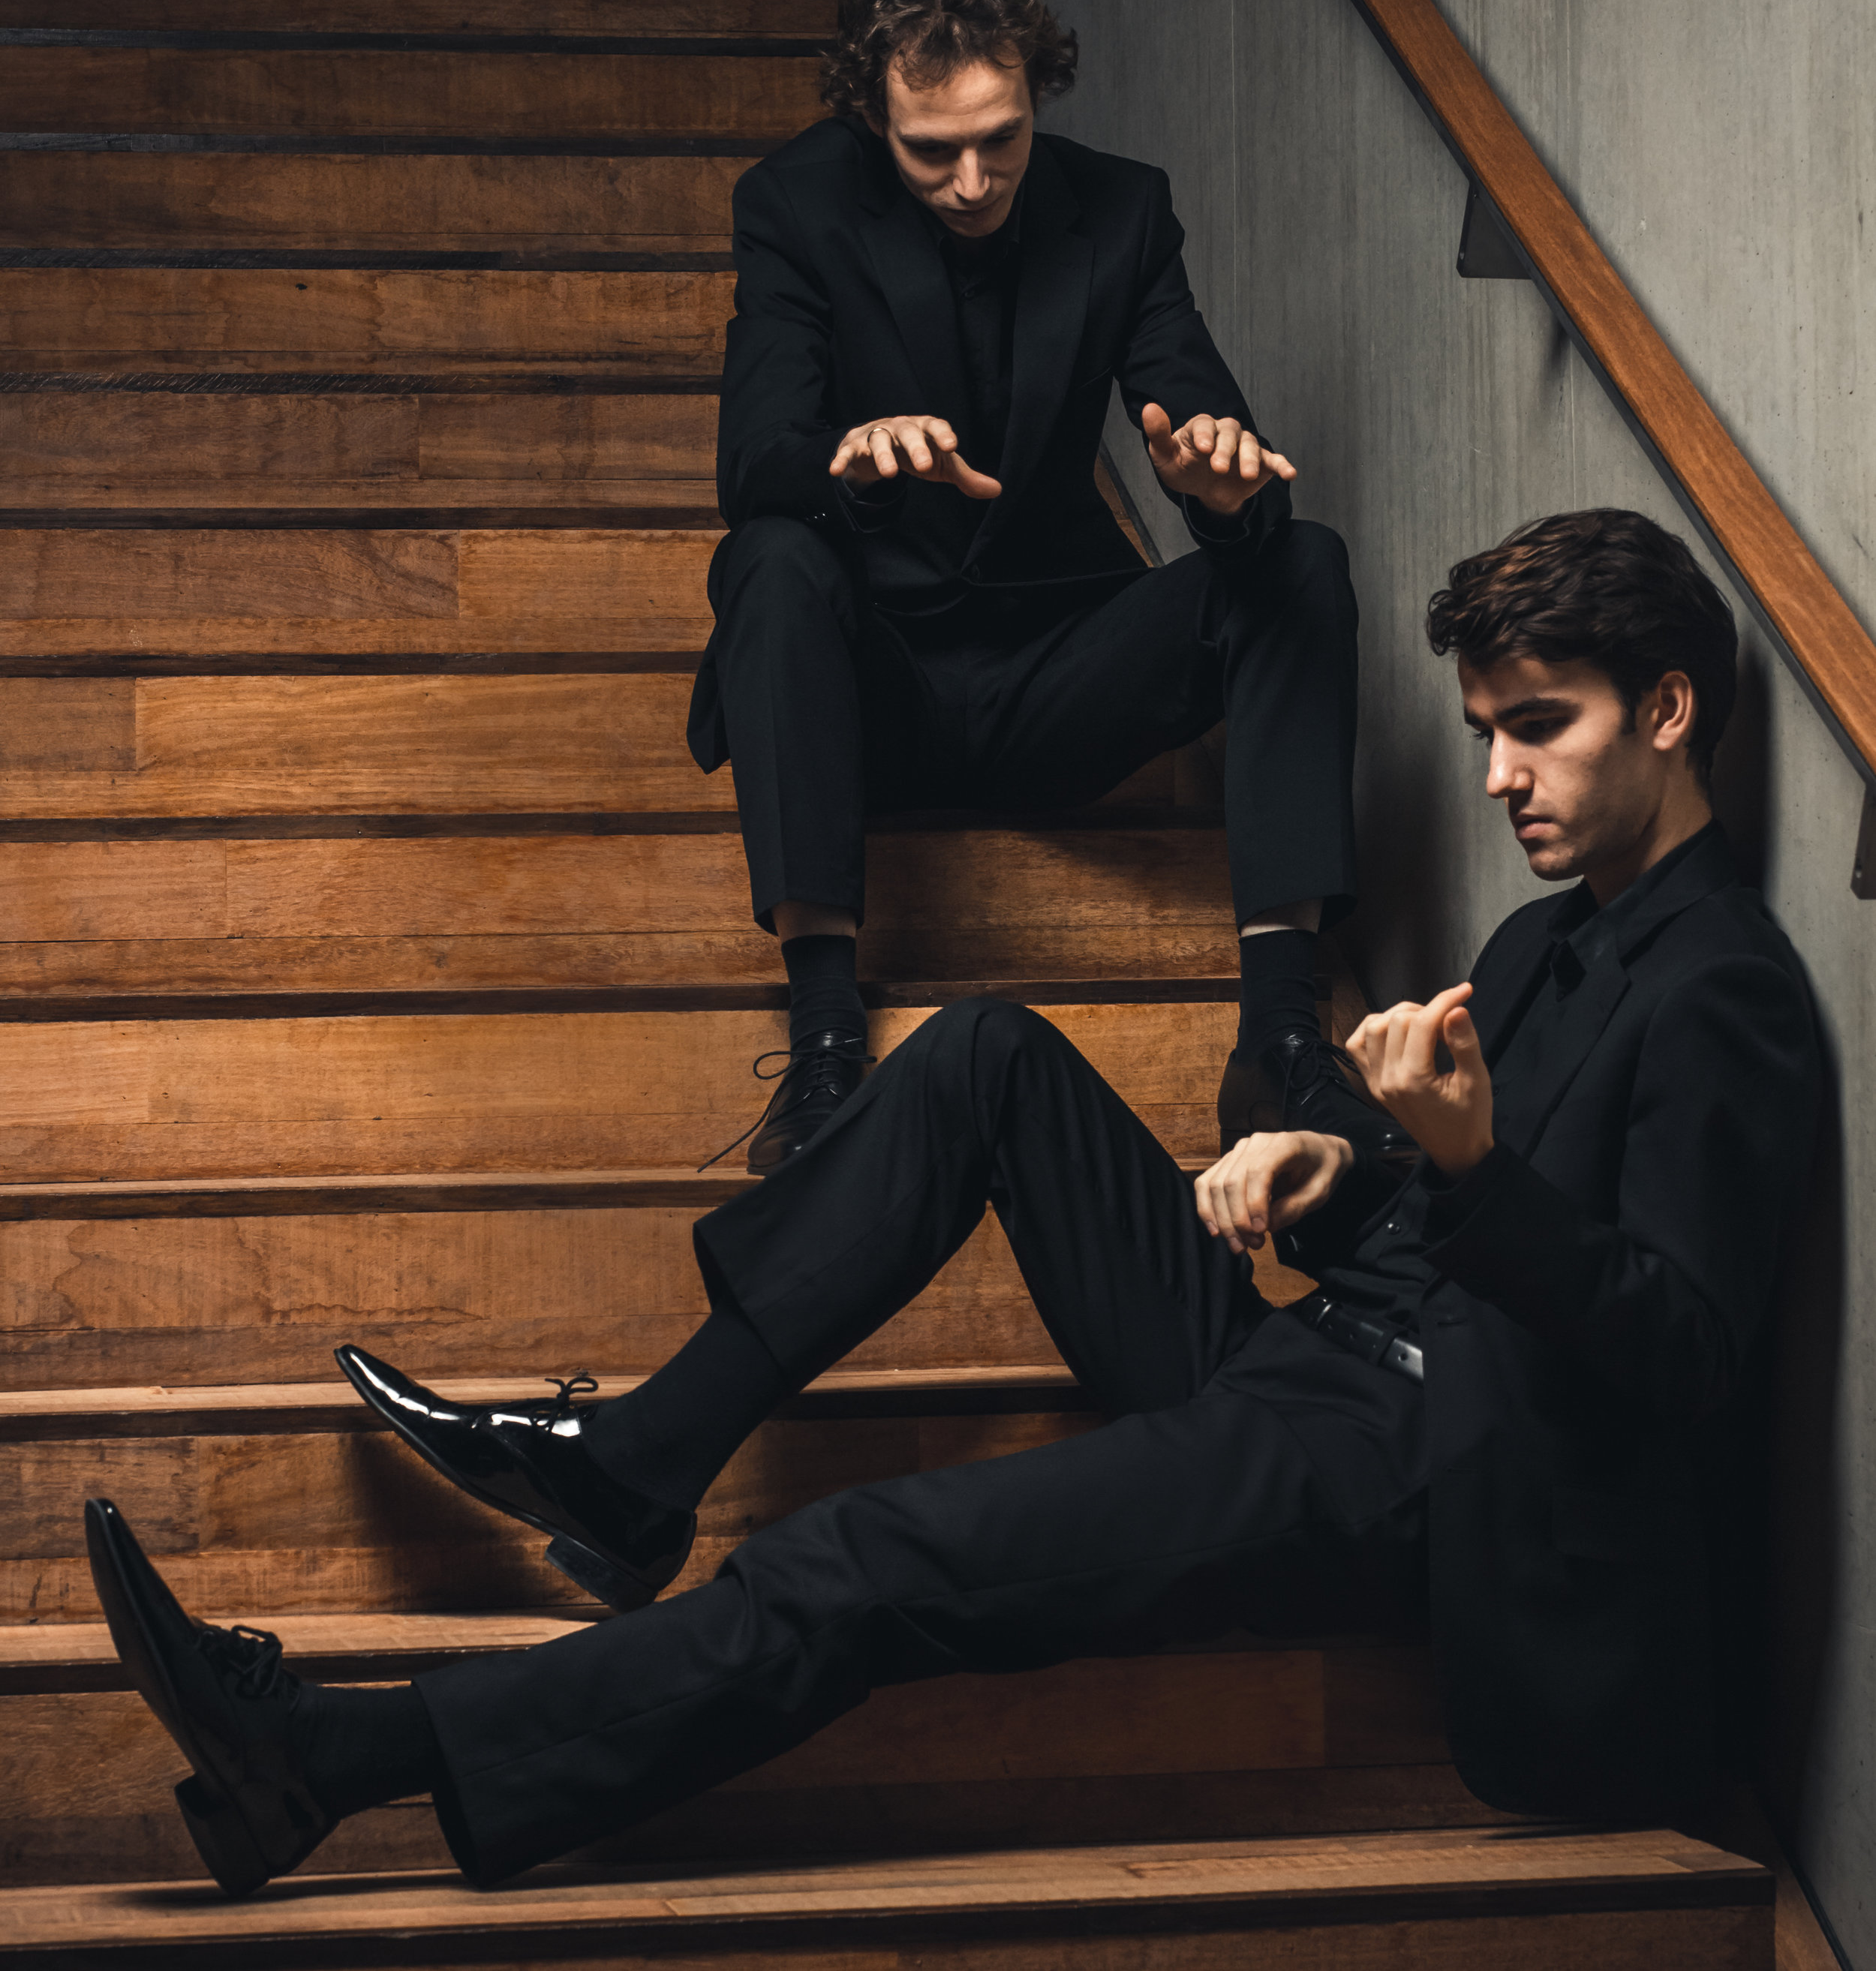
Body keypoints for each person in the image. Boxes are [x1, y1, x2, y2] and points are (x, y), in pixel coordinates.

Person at [87, 506, 1820, 1900]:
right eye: (1484, 734)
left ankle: (333, 1759)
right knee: (985, 1051)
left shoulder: (1722, 992)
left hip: (1425, 1463)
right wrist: (1338, 1170)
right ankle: (636, 1462)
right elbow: (1439, 1207)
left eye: (1537, 728)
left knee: (868, 1555)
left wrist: (1456, 1168)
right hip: (1330, 1349)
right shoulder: (1538, 940)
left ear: (1667, 713)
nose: (1499, 776)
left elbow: (1677, 1349)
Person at [690, 0, 1395, 1170]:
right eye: (932, 150)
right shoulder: (796, 205)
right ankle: (825, 1042)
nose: (973, 181)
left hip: (1059, 674)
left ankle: (1284, 1041)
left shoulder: (1122, 211)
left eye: (1001, 139)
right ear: (874, 118)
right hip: (874, 690)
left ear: (1037, 93)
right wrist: (853, 462)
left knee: (1301, 562)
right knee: (766, 560)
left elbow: (1208, 421)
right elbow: (754, 460)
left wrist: (1218, 485)